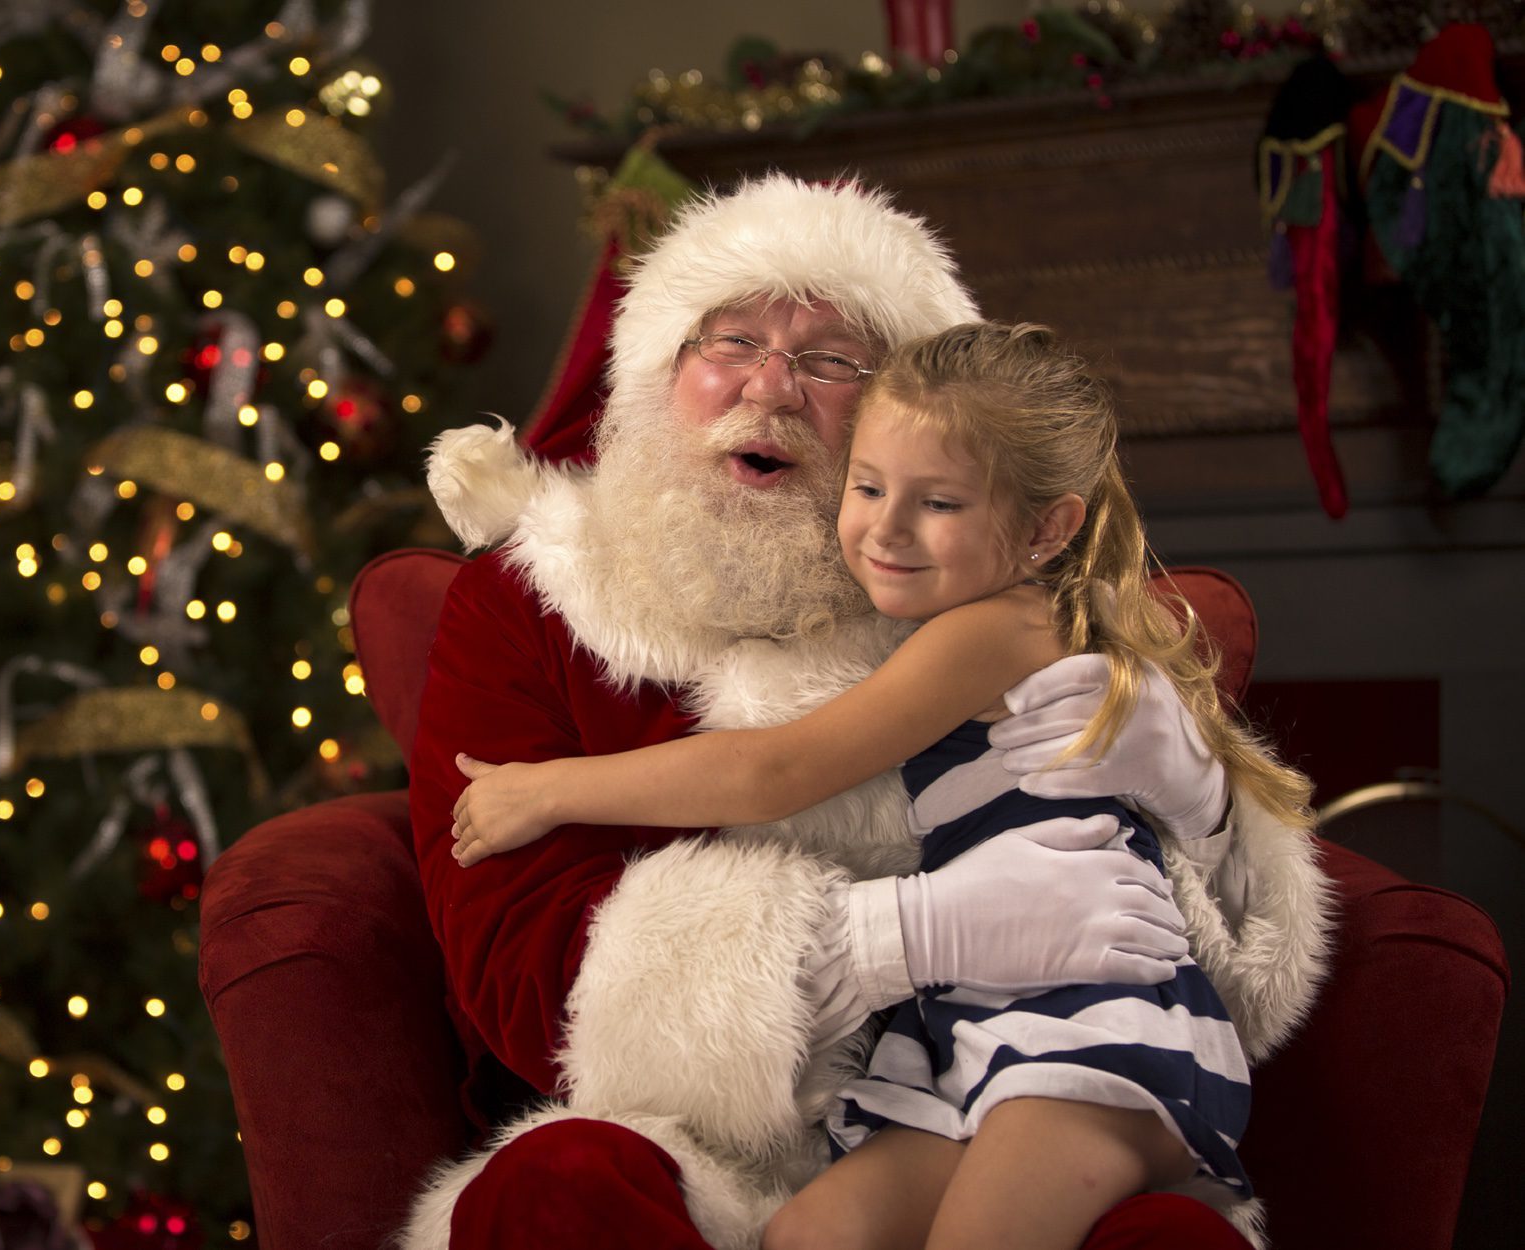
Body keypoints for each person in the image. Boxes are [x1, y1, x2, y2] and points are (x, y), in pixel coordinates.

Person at [399, 175, 1330, 1250]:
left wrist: (1174, 842)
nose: (774, 383)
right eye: (729, 337)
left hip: (1047, 1051)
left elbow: (776, 769)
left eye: (834, 357)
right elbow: (517, 970)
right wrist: (897, 935)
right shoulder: (535, 598)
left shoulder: (972, 610)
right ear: (656, 371)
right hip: (716, 1124)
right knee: (574, 1191)